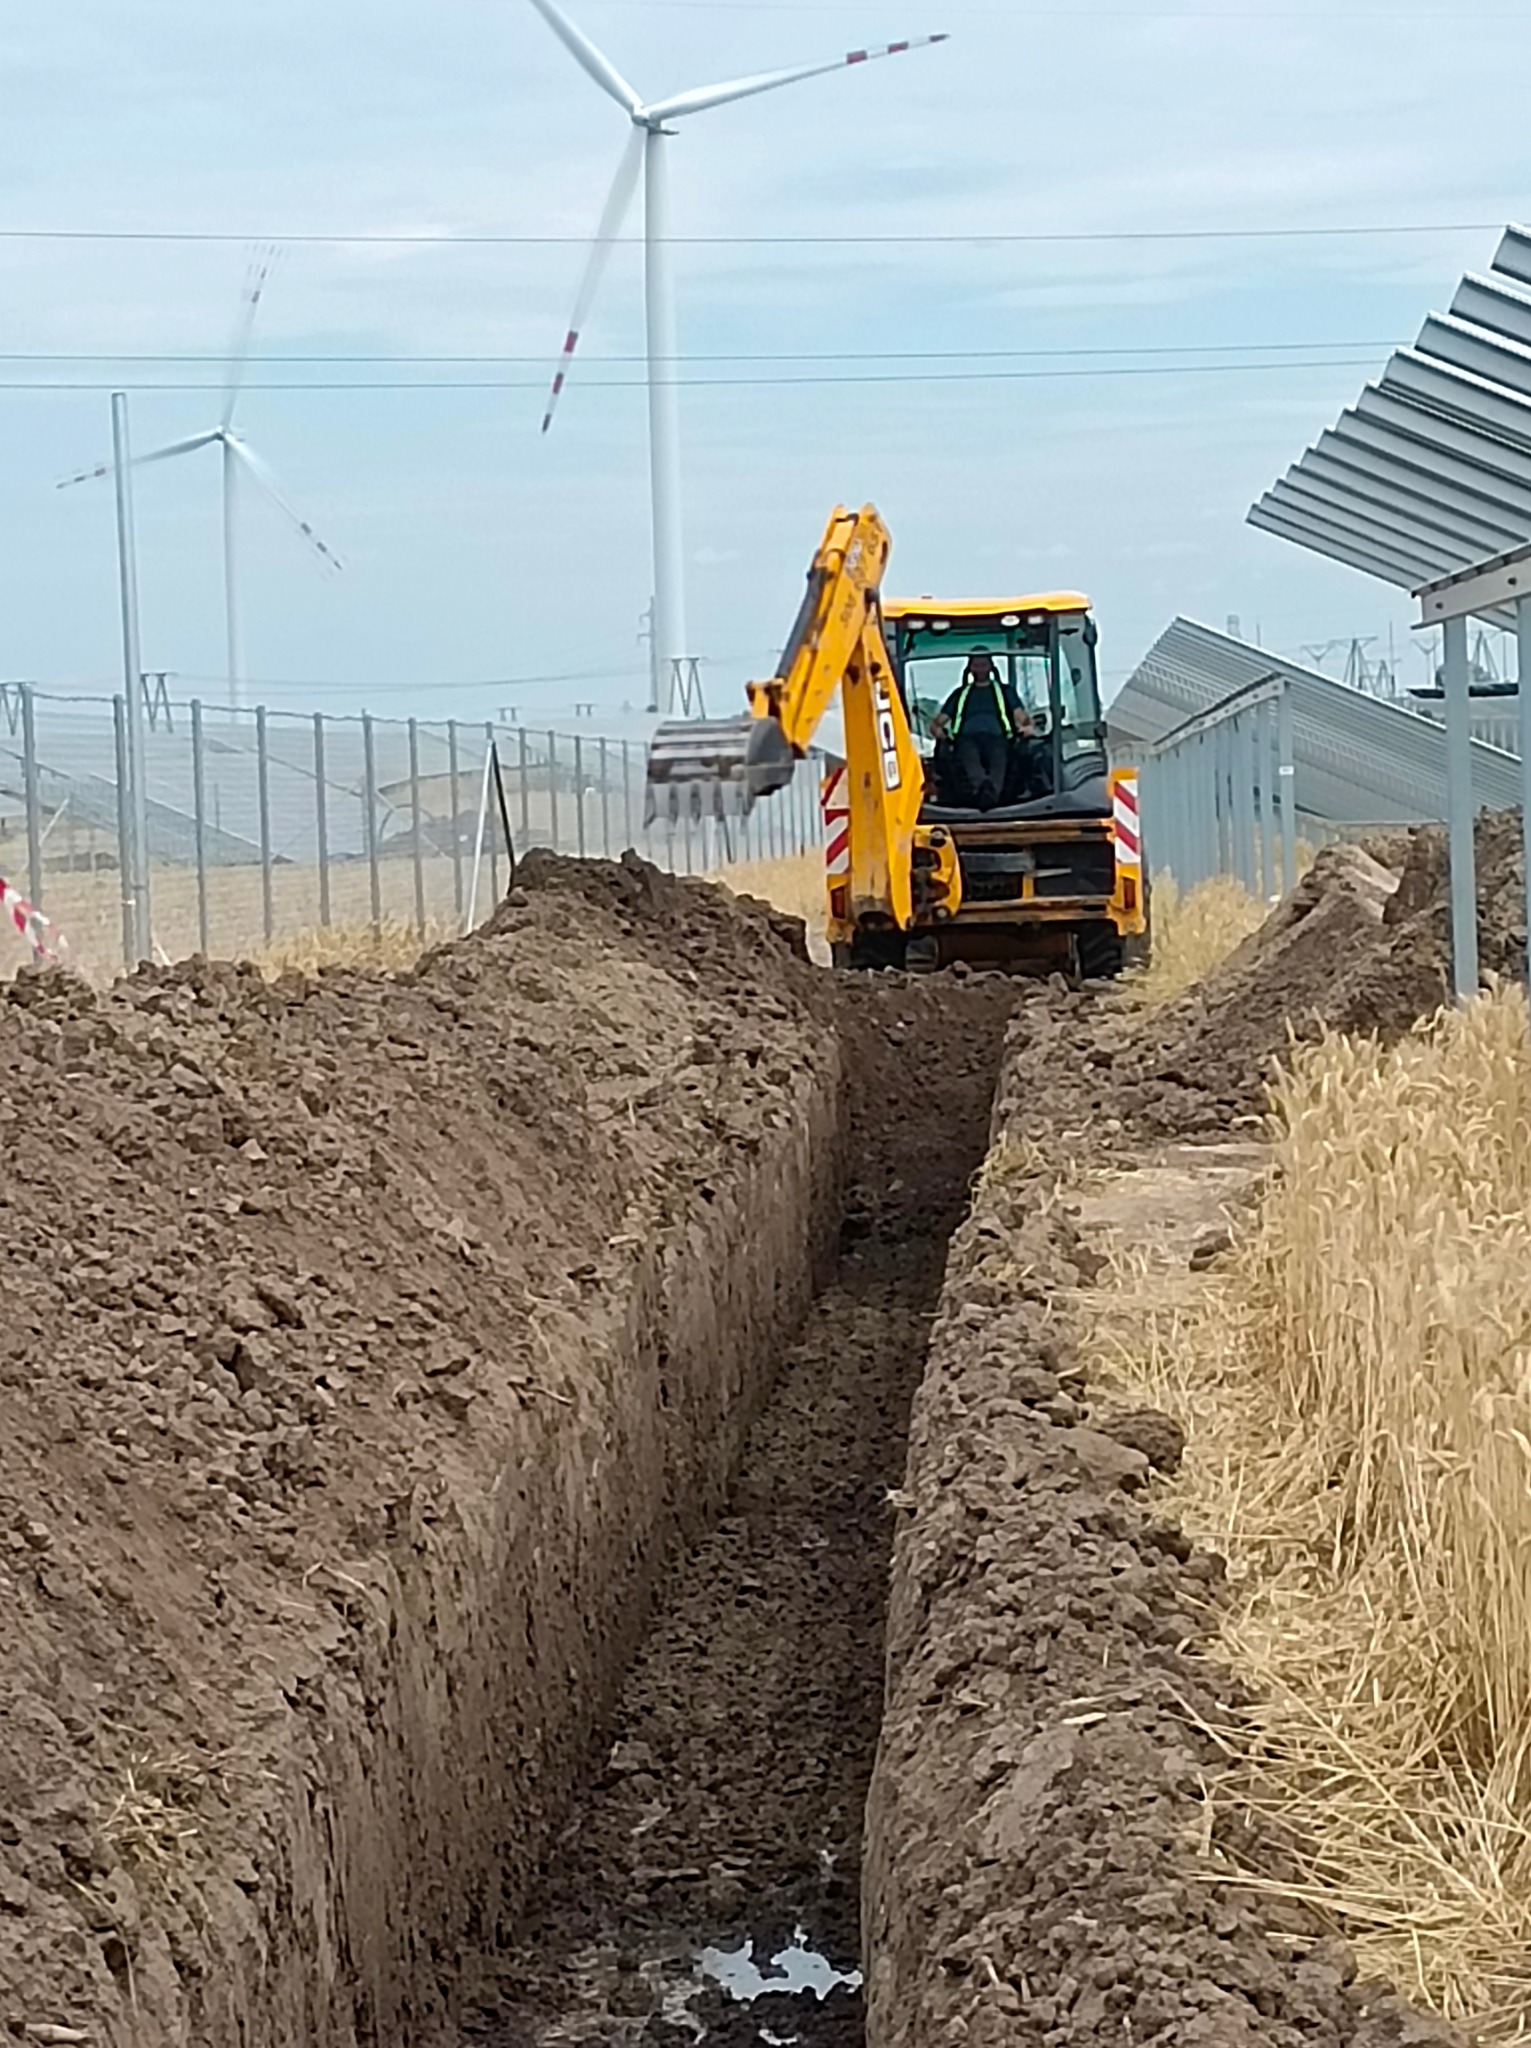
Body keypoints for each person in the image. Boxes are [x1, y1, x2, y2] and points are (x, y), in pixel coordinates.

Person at [930, 650, 1025, 809]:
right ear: (970, 668)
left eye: (983, 665)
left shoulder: (1005, 691)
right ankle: (981, 790)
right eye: (976, 665)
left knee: (998, 758)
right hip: (966, 739)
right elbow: (938, 721)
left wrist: (1027, 726)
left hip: (998, 737)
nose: (980, 669)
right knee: (969, 758)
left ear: (991, 667)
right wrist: (938, 732)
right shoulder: (960, 694)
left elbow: (1020, 715)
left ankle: (992, 794)